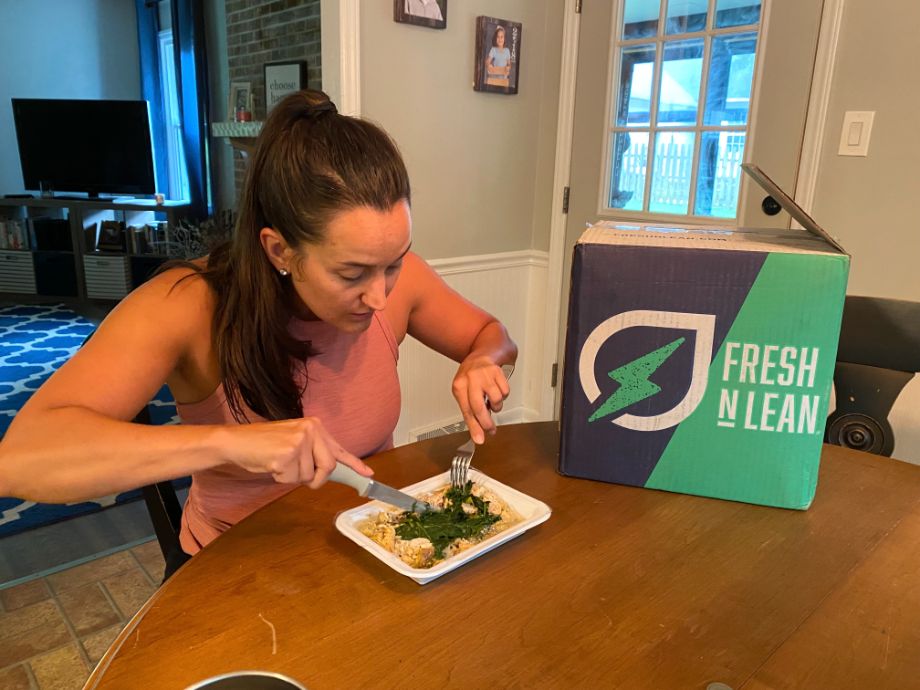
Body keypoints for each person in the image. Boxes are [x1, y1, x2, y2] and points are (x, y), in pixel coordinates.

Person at [0, 90, 517, 578]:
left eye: (393, 265)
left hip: (372, 545)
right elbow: (21, 460)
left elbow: (492, 336)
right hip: (237, 569)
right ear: (279, 251)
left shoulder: (394, 282)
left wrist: (482, 359)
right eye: (351, 273)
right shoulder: (186, 304)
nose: (380, 296)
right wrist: (229, 443)